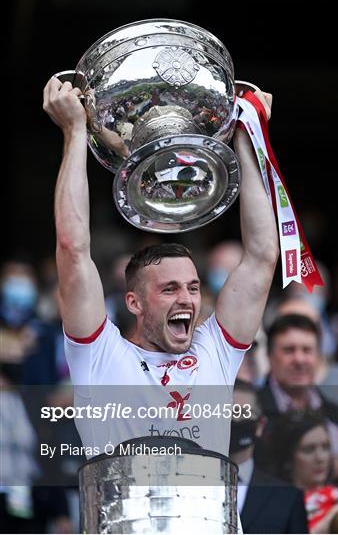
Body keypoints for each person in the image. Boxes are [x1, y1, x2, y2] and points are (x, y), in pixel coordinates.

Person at [42, 76, 278, 460]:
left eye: (193, 287)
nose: (186, 298)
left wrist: (247, 137)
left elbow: (263, 256)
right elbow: (72, 249)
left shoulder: (214, 352)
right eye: (169, 289)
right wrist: (75, 131)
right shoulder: (101, 356)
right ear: (133, 302)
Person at [255, 313, 338, 492]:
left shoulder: (333, 412)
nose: (299, 359)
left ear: (319, 358)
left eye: (307, 350)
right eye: (289, 350)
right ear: (269, 356)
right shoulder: (254, 410)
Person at [230, 379, 308, 533]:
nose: (235, 420)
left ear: (260, 425)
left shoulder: (286, 498)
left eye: (244, 413)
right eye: (228, 413)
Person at [269, 412, 338, 533]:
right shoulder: (272, 505)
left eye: (325, 447)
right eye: (308, 449)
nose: (320, 457)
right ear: (288, 458)